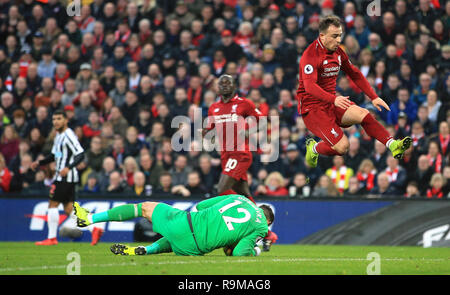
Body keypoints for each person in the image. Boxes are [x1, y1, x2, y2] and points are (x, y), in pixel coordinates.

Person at [296, 15, 411, 169]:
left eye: (340, 35)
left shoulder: (337, 52)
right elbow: (310, 87)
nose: (338, 40)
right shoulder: (310, 55)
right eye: (334, 36)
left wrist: (373, 97)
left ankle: (393, 144)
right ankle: (314, 148)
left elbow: (354, 73)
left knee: (364, 114)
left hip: (331, 102)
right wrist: (334, 99)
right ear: (322, 36)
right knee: (343, 147)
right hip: (313, 109)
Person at [201, 74, 278, 250]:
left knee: (222, 189)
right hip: (226, 156)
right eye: (222, 83)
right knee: (244, 195)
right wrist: (206, 133)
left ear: (235, 86)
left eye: (229, 82)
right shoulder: (214, 108)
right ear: (217, 88)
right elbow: (210, 130)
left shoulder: (244, 104)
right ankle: (267, 234)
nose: (225, 85)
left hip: (240, 153)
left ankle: (237, 230)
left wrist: (249, 133)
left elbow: (262, 120)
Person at [73, 194, 274, 257]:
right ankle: (146, 250)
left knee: (144, 208)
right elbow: (238, 253)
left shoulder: (239, 197)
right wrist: (255, 251)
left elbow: (200, 206)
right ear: (268, 222)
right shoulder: (261, 228)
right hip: (195, 249)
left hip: (187, 224)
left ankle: (89, 219)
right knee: (179, 239)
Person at [29, 110, 100, 246]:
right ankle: (94, 228)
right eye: (54, 119)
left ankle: (52, 238)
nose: (56, 121)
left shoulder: (68, 135)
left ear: (66, 120)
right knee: (68, 208)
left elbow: (80, 154)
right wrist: (40, 163)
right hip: (64, 177)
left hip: (65, 177)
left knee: (52, 204)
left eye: (59, 119)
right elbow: (54, 156)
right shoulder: (59, 136)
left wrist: (69, 167)